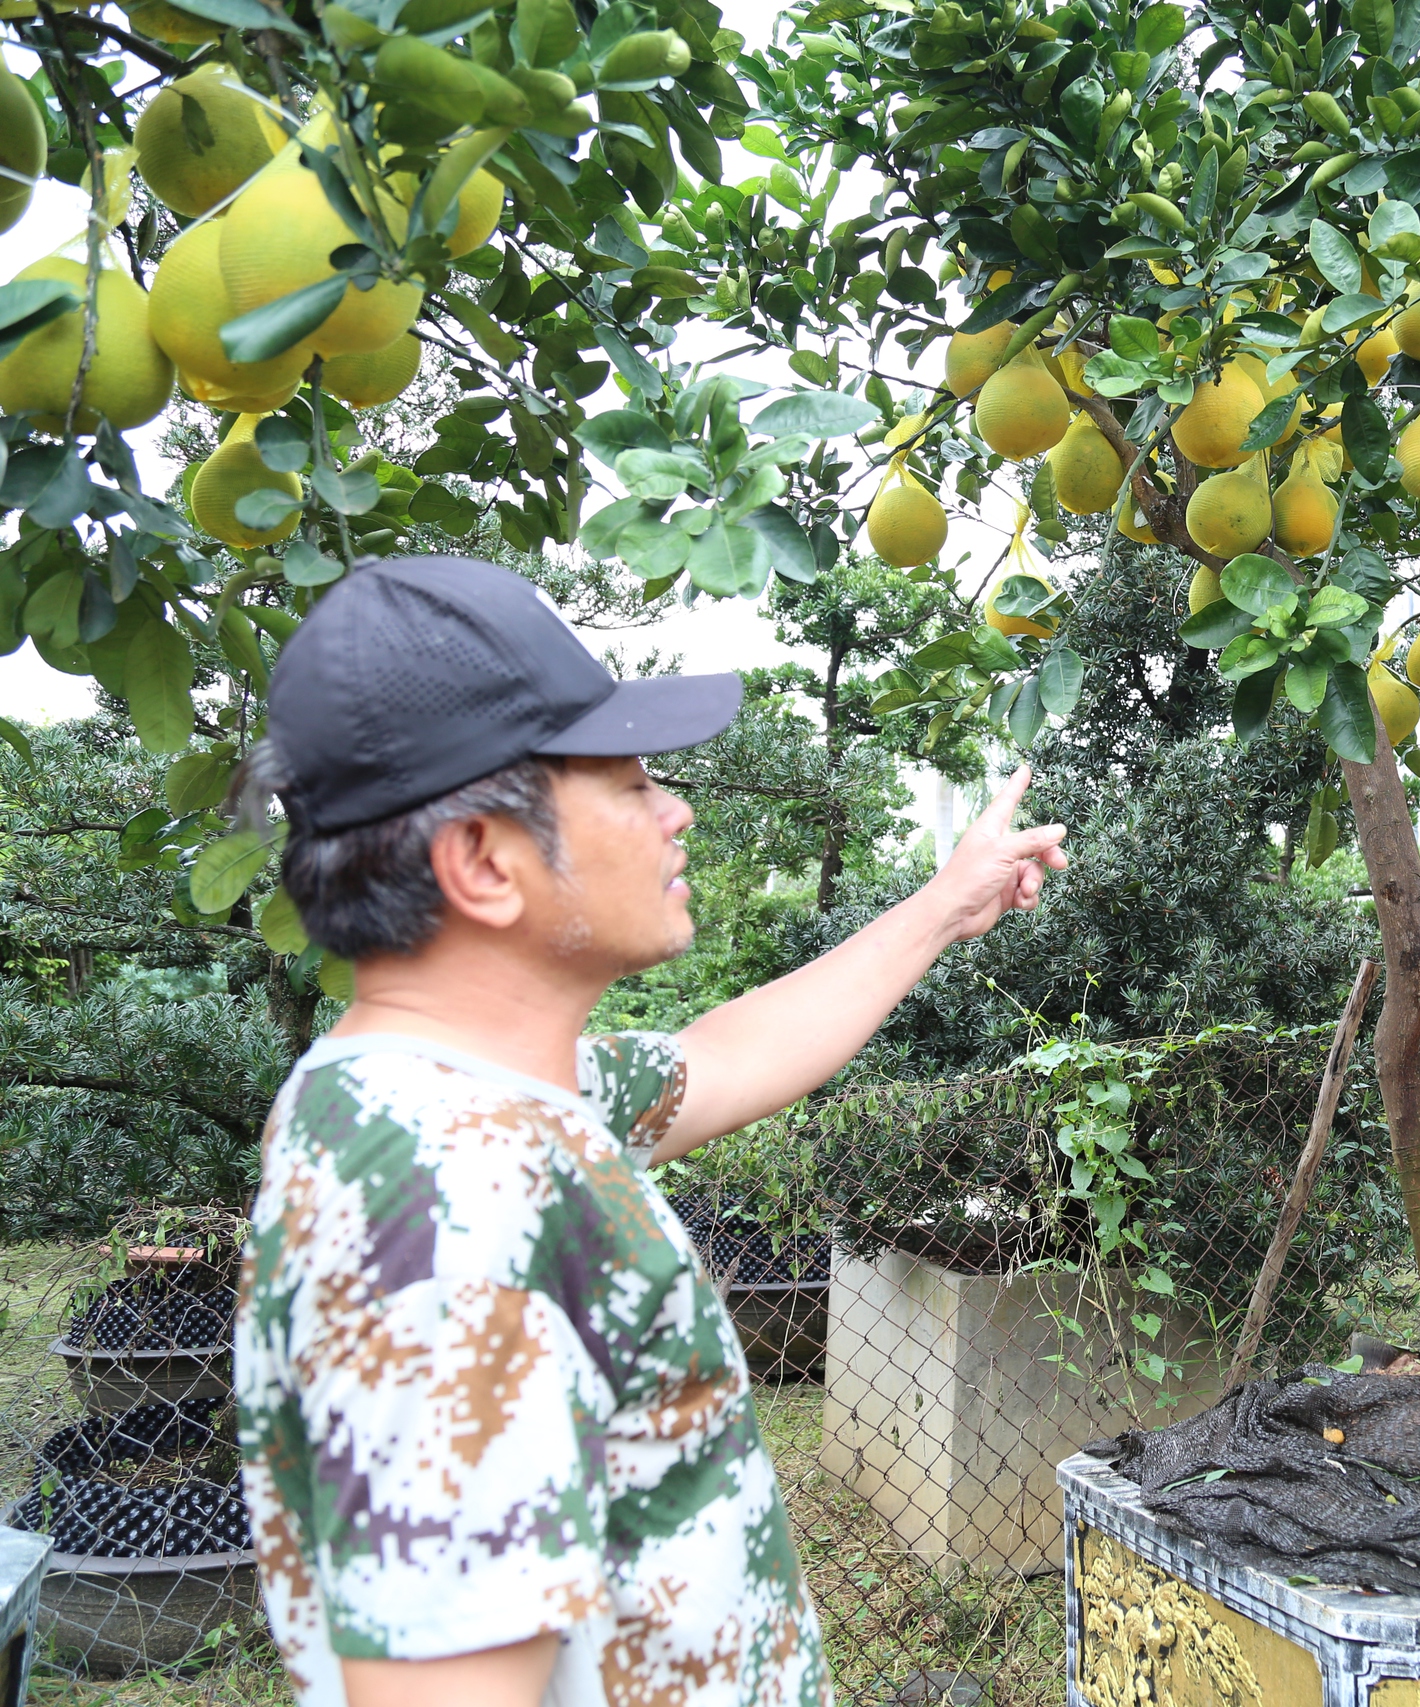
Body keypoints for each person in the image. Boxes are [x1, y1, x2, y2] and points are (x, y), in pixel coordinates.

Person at [229, 555, 1068, 1707]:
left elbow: (720, 1060)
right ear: (482, 860)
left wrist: (945, 906)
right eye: (625, 784)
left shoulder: (446, 1093)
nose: (675, 808)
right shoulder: (450, 1203)